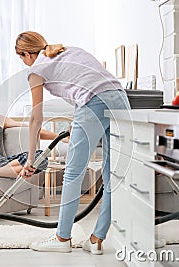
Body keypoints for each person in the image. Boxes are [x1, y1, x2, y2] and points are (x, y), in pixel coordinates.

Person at [16, 31, 130, 255]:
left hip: (92, 102)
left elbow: (35, 118)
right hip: (120, 97)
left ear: (27, 54)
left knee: (73, 173)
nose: (24, 63)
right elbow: (90, 83)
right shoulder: (68, 50)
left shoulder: (35, 69)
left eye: (22, 58)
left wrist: (31, 158)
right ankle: (97, 238)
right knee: (113, 176)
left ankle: (62, 238)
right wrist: (80, 118)